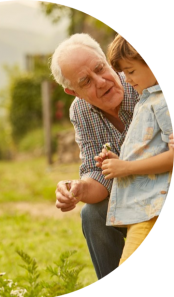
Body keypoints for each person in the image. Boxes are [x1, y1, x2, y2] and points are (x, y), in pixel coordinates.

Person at [50, 33, 174, 280]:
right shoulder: (81, 111)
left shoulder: (144, 82)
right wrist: (78, 189)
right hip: (133, 196)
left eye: (100, 68)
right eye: (86, 81)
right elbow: (98, 175)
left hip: (161, 189)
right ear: (72, 91)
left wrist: (126, 166)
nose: (102, 81)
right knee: (92, 213)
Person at [94, 33, 173, 266]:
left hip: (152, 209)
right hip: (140, 209)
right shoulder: (146, 100)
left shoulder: (162, 102)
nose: (127, 79)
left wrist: (126, 167)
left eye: (131, 71)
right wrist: (117, 161)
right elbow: (151, 151)